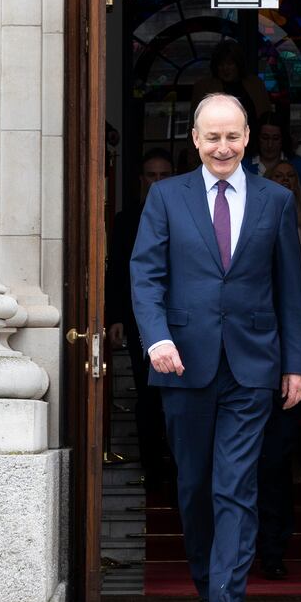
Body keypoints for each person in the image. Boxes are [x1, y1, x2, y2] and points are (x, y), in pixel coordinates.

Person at [130, 93, 301, 602]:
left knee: (236, 485)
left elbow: (289, 289)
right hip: (182, 361)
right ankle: (207, 592)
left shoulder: (275, 201)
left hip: (252, 366)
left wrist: (297, 363)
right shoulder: (165, 197)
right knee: (194, 486)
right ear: (195, 139)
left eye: (232, 136)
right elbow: (145, 275)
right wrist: (156, 336)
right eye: (213, 137)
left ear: (248, 137)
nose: (223, 147)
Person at [255, 159, 301, 579]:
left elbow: (295, 294)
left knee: (274, 463)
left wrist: (296, 362)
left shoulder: (283, 215)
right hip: (225, 363)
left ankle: (273, 550)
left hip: (275, 362)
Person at [104, 148, 174, 495]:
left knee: (179, 394)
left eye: (164, 175)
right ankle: (153, 470)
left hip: (181, 318)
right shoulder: (127, 218)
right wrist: (114, 317)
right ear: (142, 179)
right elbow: (118, 270)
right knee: (148, 395)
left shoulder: (186, 212)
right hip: (138, 318)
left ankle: (178, 469)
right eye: (152, 175)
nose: (157, 181)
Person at [245, 113, 301, 269]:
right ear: (257, 138)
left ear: (283, 139)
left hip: (293, 243)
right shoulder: (243, 167)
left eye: (275, 138)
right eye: (265, 138)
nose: (270, 144)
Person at [191, 40, 272, 140]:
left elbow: (268, 118)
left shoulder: (255, 85)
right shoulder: (204, 87)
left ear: (238, 64)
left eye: (230, 63)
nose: (225, 68)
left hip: (254, 148)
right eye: (221, 64)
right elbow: (195, 125)